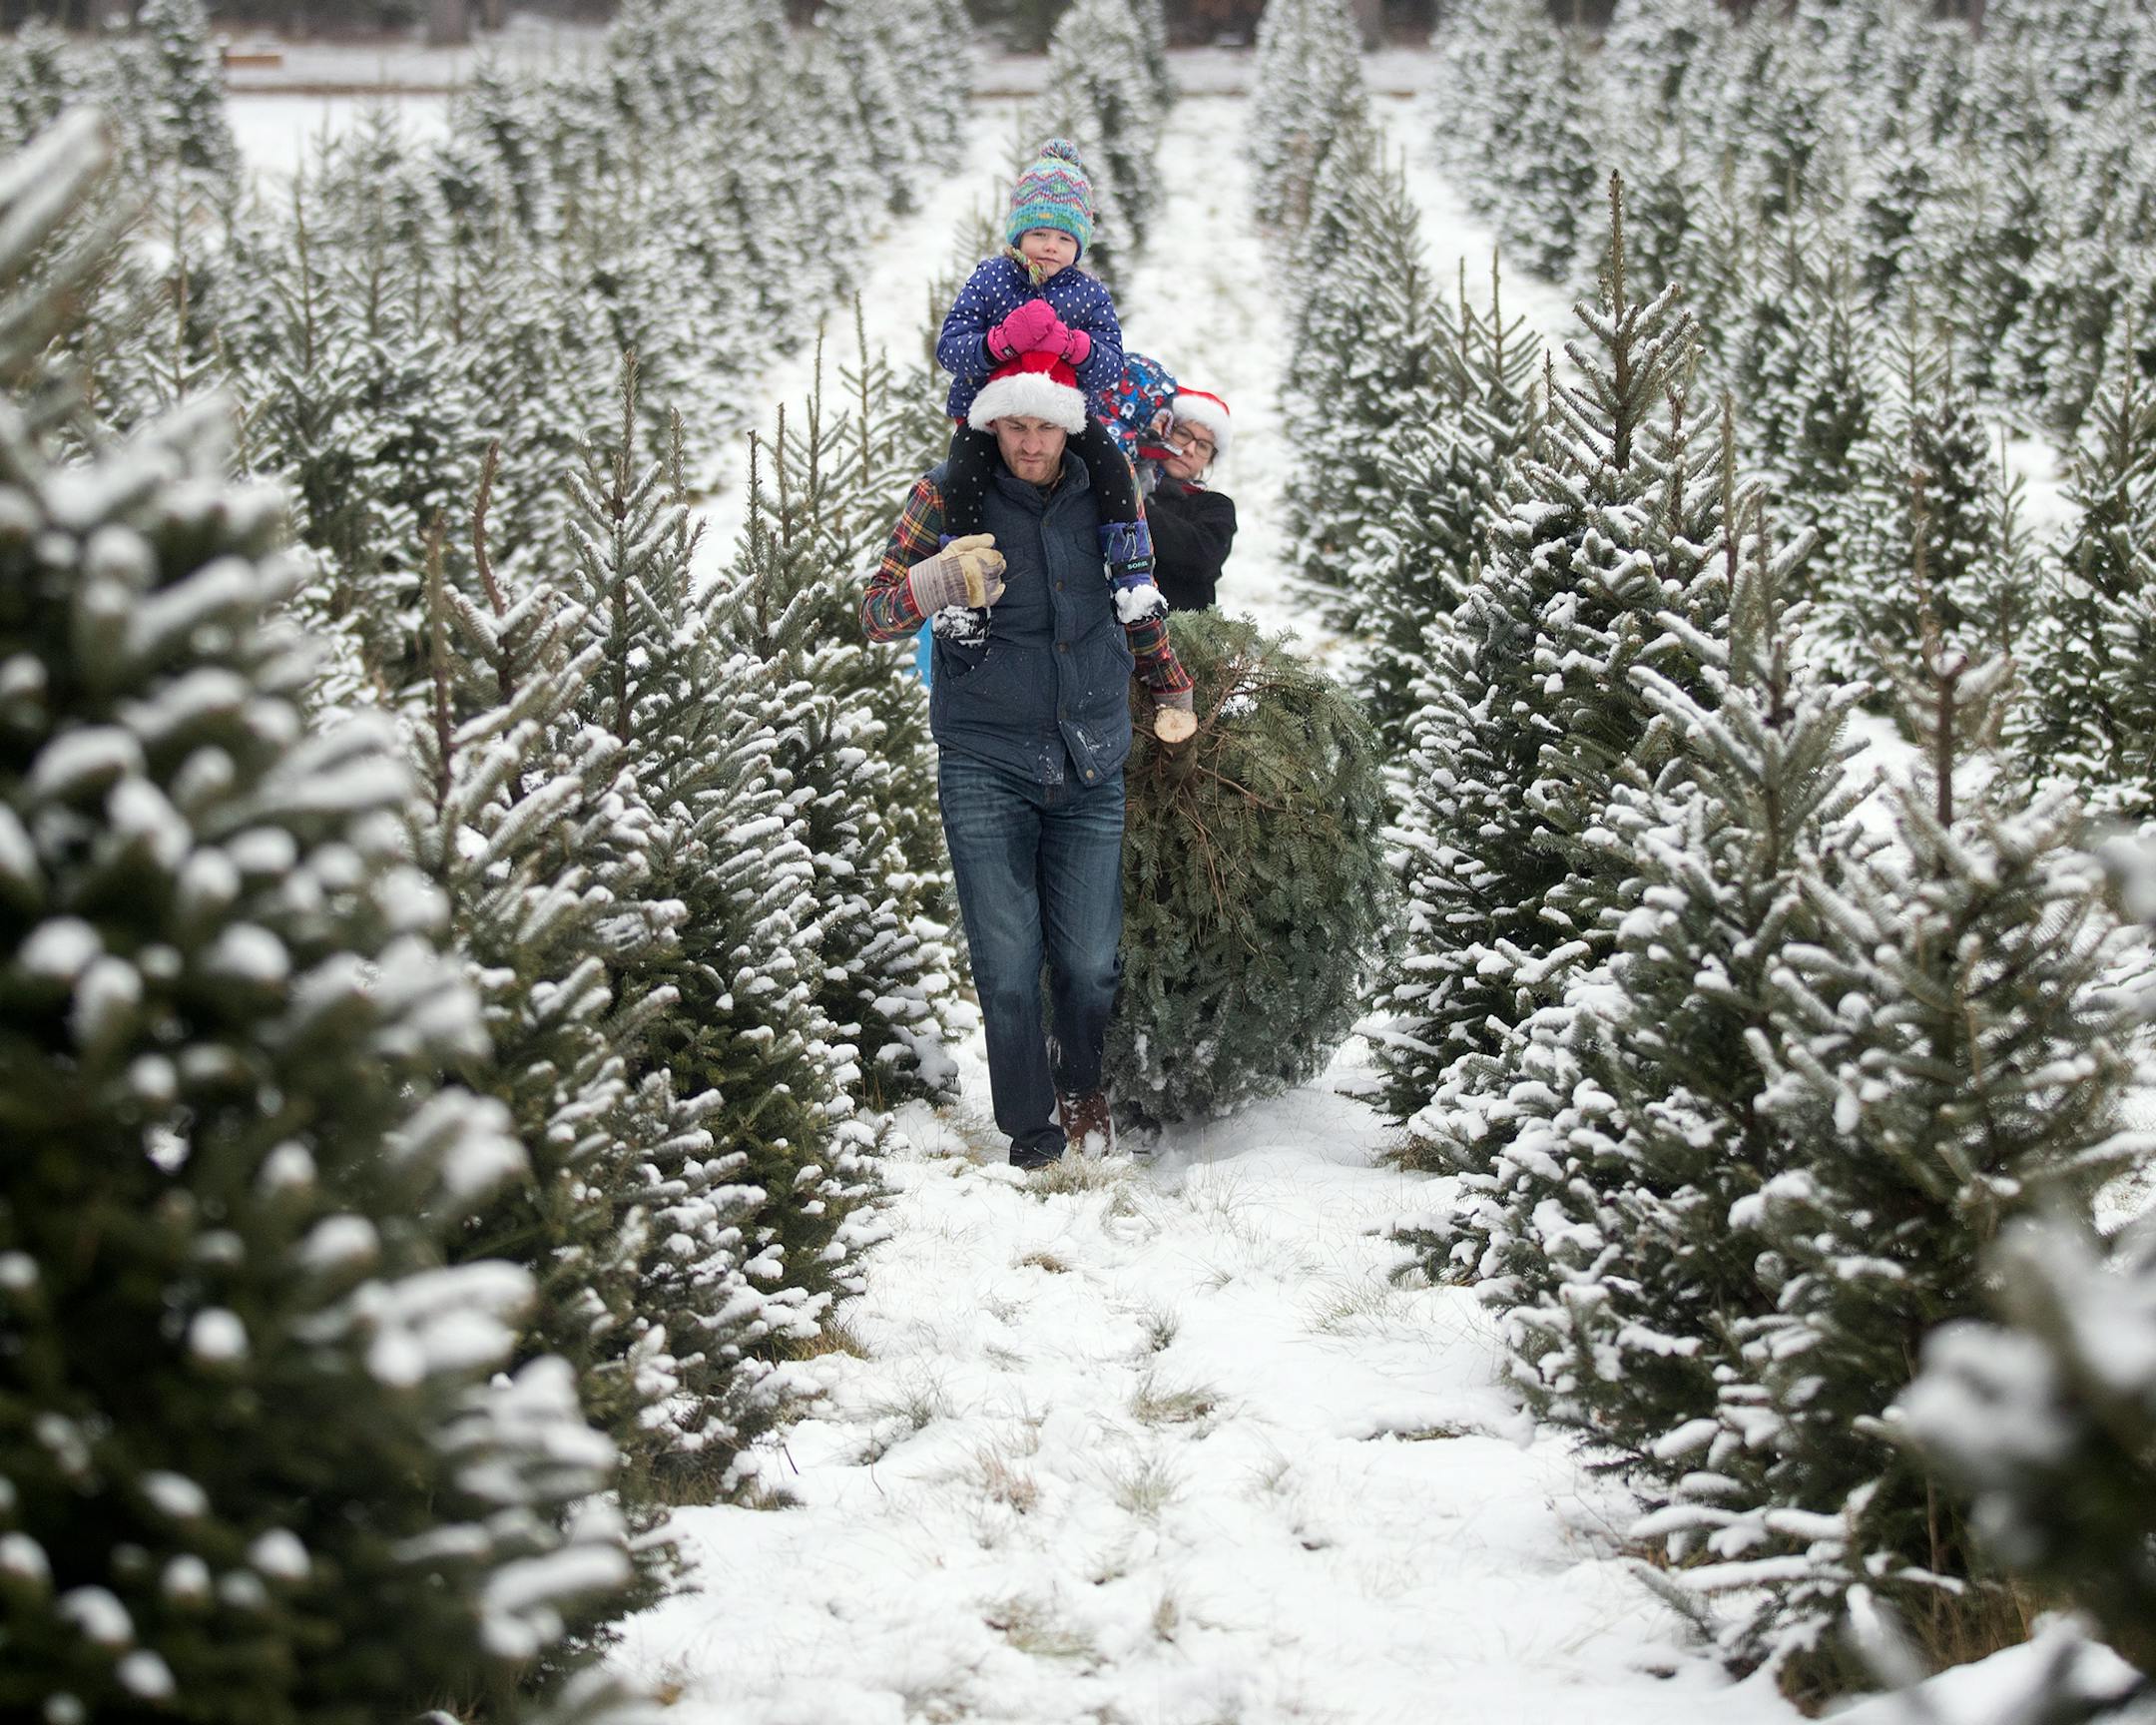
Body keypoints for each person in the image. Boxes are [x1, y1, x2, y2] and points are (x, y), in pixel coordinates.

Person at [860, 350, 1197, 1171]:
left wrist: (1171, 688)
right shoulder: (946, 495)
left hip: (1090, 756)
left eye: (1046, 425)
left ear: (1070, 425)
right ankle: (1032, 1128)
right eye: (1015, 425)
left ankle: (1082, 1082)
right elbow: (874, 611)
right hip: (985, 754)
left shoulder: (1109, 496)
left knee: (1088, 960)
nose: (1031, 443)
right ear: (991, 424)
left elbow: (1138, 596)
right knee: (1007, 962)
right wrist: (937, 581)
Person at [935, 139, 1167, 627]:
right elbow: (950, 348)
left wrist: (1069, 345)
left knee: (1111, 468)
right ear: (1018, 235)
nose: (1050, 247)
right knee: (962, 478)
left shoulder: (1089, 293)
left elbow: (1110, 366)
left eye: (1063, 239)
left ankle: (1131, 578)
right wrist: (999, 343)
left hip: (1063, 413)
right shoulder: (991, 279)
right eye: (1039, 233)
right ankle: (964, 587)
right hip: (993, 412)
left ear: (1079, 244)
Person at [1145, 387, 1237, 614]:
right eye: (1183, 434)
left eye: (1204, 446)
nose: (1189, 449)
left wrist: (1133, 505)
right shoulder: (1122, 479)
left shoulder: (1215, 506)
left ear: (1209, 460)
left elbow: (1200, 557)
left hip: (1178, 642)